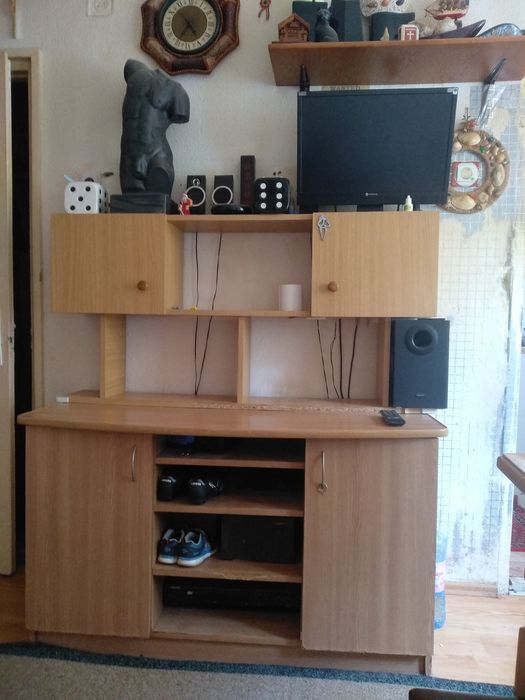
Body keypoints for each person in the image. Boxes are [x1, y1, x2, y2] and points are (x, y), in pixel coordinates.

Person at [119, 59, 190, 195]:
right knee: (132, 203)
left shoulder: (175, 89)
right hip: (132, 156)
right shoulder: (175, 88)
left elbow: (181, 114)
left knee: (157, 200)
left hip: (152, 156)